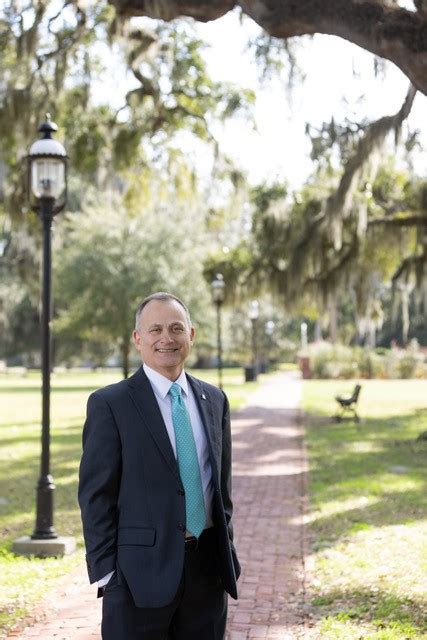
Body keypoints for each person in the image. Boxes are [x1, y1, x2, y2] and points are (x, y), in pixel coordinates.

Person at [78, 292, 240, 640]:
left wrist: (227, 551)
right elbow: (96, 497)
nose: (166, 338)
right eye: (154, 330)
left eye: (176, 328)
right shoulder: (110, 404)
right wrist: (108, 575)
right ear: (138, 339)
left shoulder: (214, 400)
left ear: (191, 335)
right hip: (137, 580)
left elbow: (221, 490)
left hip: (207, 575)